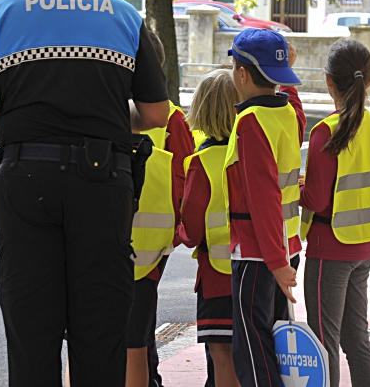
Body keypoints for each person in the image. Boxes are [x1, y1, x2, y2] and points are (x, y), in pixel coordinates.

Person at [0, 0, 170, 387]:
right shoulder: (124, 15)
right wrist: (109, 118)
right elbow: (156, 113)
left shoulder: (6, 10)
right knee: (101, 331)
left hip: (25, 181)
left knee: (31, 331)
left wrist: (26, 117)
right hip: (103, 184)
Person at [300, 39, 370, 387]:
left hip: (329, 247)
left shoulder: (325, 132)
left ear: (327, 81)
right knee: (357, 340)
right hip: (364, 245)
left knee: (324, 343)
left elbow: (317, 200)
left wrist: (293, 188)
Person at [222, 28, 306, 387]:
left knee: (252, 350)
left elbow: (263, 198)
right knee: (267, 343)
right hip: (284, 245)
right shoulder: (285, 113)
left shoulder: (250, 123)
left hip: (259, 255)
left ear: (241, 74)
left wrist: (275, 262)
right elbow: (295, 108)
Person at [128, 35, 195, 387]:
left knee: (121, 331)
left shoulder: (103, 106)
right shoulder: (172, 118)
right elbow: (185, 178)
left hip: (104, 236)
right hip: (152, 245)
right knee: (138, 327)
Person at [178, 69, 242, 387]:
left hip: (217, 276)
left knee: (221, 353)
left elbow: (190, 231)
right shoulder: (252, 152)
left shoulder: (201, 162)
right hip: (257, 271)